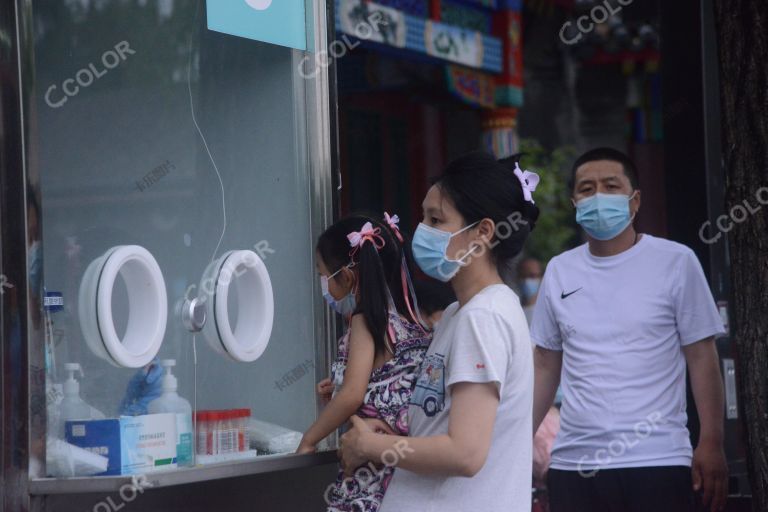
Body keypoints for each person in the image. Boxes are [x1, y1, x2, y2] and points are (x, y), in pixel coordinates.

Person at [339, 150, 540, 512]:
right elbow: (447, 427)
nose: (423, 231)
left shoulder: (484, 317)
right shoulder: (457, 314)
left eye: (437, 219)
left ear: (482, 232)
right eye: (424, 218)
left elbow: (465, 452)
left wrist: (369, 447)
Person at [531, 148, 728, 512]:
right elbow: (544, 364)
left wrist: (712, 442)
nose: (598, 196)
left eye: (610, 186)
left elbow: (702, 359)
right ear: (575, 201)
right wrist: (518, 438)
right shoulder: (560, 270)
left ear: (634, 200)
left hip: (658, 459)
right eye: (587, 189)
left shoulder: (676, 262)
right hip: (574, 463)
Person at [298, 214, 432, 512]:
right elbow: (384, 380)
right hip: (401, 470)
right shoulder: (411, 321)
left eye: (323, 275)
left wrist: (308, 440)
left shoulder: (364, 320)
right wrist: (339, 386)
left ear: (346, 277)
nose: (324, 287)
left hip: (370, 474)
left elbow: (353, 395)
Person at [518, 256, 543, 324]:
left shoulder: (547, 312)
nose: (532, 280)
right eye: (525, 276)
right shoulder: (514, 310)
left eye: (535, 276)